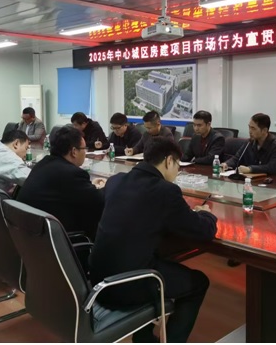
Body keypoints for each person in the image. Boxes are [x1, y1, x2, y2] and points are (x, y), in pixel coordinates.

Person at [90, 137, 217, 342]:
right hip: (126, 286)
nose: (177, 171)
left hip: (98, 279)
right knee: (199, 283)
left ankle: (144, 339)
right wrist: (206, 214)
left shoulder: (116, 181)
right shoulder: (165, 191)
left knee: (154, 258)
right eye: (178, 165)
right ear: (169, 161)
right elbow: (204, 231)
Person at [16, 126, 106, 240]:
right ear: (74, 151)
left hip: (28, 236)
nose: (85, 152)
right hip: (54, 240)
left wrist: (91, 186)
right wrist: (106, 186)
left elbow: (69, 190)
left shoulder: (44, 163)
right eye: (84, 149)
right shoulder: (71, 173)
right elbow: (99, 201)